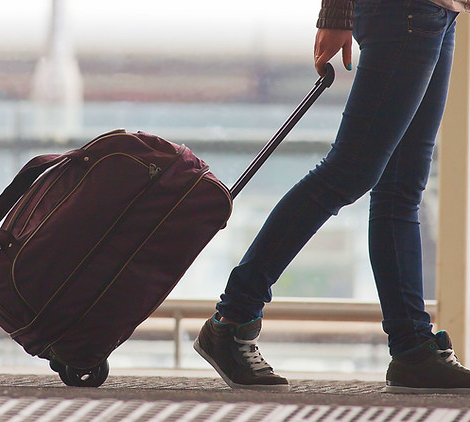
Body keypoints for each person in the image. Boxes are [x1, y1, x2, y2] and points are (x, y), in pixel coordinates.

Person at [194, 0, 470, 393]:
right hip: (404, 12)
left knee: (401, 188)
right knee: (349, 172)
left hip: (441, 13)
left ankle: (413, 351)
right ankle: (232, 319)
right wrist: (336, 14)